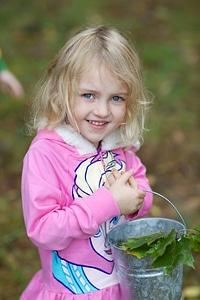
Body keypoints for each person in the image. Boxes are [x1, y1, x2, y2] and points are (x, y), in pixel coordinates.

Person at [20, 25, 153, 300]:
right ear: (61, 91)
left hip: (122, 287)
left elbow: (142, 187)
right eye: (88, 95)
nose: (102, 111)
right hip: (74, 292)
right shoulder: (46, 154)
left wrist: (136, 199)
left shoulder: (118, 145)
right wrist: (109, 203)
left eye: (116, 98)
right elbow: (43, 229)